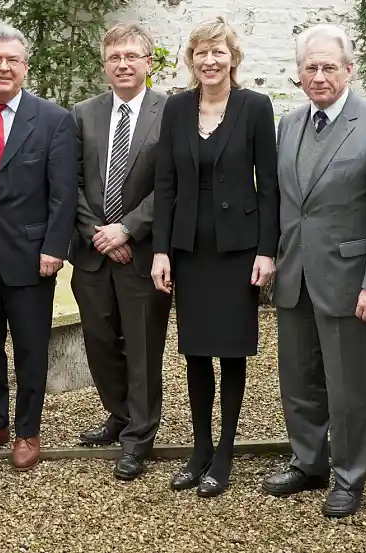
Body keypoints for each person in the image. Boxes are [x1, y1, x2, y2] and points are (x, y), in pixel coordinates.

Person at [261, 24, 366, 517]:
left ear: (349, 69)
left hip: (349, 281)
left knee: (346, 387)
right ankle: (308, 463)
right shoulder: (290, 123)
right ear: (299, 72)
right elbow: (287, 202)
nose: (319, 76)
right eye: (311, 67)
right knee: (298, 379)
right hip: (295, 274)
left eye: (329, 66)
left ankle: (348, 476)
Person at [151, 17, 279, 497]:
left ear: (233, 58)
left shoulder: (255, 107)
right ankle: (200, 448)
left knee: (232, 349)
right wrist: (160, 250)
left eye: (218, 51)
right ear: (192, 59)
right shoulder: (177, 108)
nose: (210, 60)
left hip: (238, 250)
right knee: (196, 351)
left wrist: (267, 251)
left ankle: (224, 452)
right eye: (201, 52)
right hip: (190, 249)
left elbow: (269, 186)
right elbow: (165, 184)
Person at [0, 24, 78, 471]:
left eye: (12, 60)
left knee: (30, 347)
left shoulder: (53, 119)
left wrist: (54, 247)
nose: (3, 67)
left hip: (31, 256)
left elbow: (63, 192)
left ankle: (28, 430)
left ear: (25, 67)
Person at [69, 22, 171, 480]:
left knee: (143, 348)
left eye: (132, 56)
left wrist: (127, 230)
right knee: (100, 343)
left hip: (144, 253)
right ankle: (121, 413)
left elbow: (171, 184)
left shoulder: (171, 113)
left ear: (148, 62)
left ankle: (139, 437)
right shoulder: (82, 114)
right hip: (94, 253)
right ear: (105, 65)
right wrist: (100, 235)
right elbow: (69, 181)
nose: (123, 64)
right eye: (115, 57)